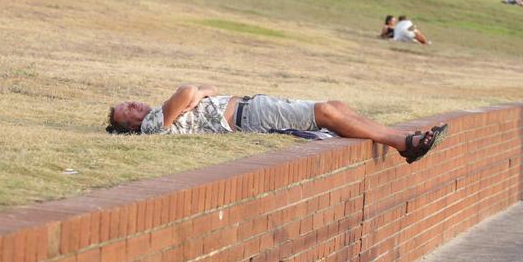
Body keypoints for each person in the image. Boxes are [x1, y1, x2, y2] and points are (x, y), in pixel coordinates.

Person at [106, 84, 449, 164]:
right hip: (251, 117)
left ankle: (403, 138)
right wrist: (192, 95)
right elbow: (189, 89)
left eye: (128, 101)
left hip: (251, 106)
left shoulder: (159, 114)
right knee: (327, 113)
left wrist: (196, 94)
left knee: (335, 106)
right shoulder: (152, 127)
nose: (133, 104)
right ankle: (405, 144)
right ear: (131, 127)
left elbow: (206, 88)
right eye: (127, 111)